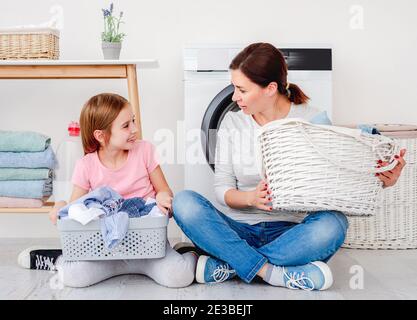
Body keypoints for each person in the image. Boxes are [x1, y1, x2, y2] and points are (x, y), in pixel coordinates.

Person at [172, 42, 407, 291]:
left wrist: (382, 180)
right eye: (234, 88)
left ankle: (232, 265)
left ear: (270, 89)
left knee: (333, 224)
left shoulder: (312, 120)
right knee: (184, 203)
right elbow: (223, 189)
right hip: (237, 230)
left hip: (292, 234)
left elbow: (338, 178)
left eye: (241, 90)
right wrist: (250, 198)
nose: (234, 97)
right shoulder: (232, 122)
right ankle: (271, 272)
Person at [17, 93, 197, 288]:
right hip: (105, 252)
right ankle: (58, 258)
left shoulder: (144, 151)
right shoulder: (86, 165)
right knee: (73, 277)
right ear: (101, 135)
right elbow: (76, 208)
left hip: (149, 249)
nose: (135, 129)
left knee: (179, 276)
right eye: (126, 125)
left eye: (133, 121)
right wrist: (61, 208)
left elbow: (163, 190)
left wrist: (163, 196)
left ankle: (190, 253)